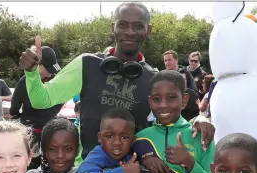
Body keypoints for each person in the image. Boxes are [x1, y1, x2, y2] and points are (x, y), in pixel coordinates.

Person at [19, 2, 215, 160]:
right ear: (113, 28)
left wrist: (199, 119)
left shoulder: (152, 78)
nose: (130, 31)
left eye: (138, 26)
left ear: (149, 30)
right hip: (89, 170)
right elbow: (41, 100)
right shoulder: (86, 64)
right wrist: (31, 73)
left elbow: (171, 119)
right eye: (123, 24)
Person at [133, 70, 215, 173]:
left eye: (171, 98)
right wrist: (145, 160)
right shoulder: (140, 138)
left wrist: (189, 162)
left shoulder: (199, 135)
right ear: (150, 101)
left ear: (184, 100)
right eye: (157, 99)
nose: (163, 105)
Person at [10, 45, 63, 170]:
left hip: (48, 132)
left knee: (48, 167)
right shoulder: (24, 82)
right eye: (48, 68)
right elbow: (14, 107)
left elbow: (60, 101)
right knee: (30, 167)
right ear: (37, 65)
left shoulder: (55, 80)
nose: (51, 72)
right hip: (30, 132)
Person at [77, 108, 143, 173]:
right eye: (109, 136)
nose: (117, 142)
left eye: (124, 137)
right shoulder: (98, 155)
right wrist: (123, 172)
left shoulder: (133, 157)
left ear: (132, 140)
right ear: (100, 138)